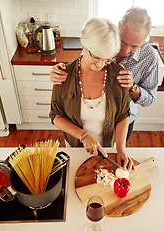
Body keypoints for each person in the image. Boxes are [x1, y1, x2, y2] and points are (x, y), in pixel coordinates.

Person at [50, 7, 159, 142]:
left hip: (121, 123)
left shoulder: (150, 58)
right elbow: (84, 63)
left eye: (135, 46)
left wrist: (132, 87)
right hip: (83, 123)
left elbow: (149, 99)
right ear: (118, 27)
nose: (125, 50)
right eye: (123, 42)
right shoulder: (101, 39)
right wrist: (59, 72)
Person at [49, 17, 134, 171]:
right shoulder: (63, 75)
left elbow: (122, 115)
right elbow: (56, 116)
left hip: (108, 149)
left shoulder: (118, 75)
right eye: (95, 56)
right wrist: (83, 135)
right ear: (84, 44)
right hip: (75, 148)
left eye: (107, 60)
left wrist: (121, 150)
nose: (100, 65)